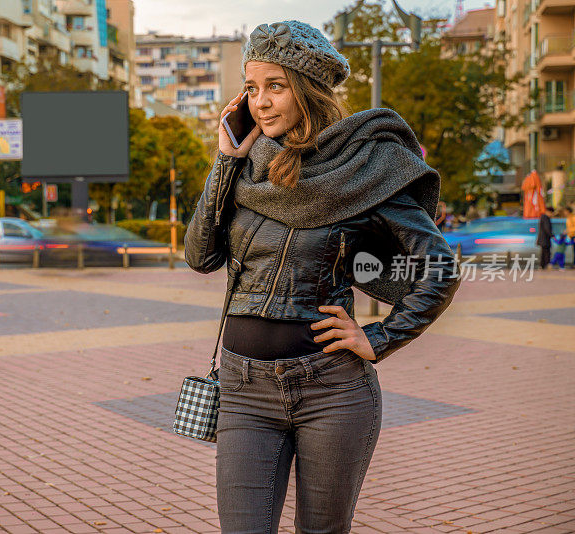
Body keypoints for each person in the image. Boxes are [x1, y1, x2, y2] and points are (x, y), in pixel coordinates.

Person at [184, 20, 462, 534]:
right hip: (245, 391)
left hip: (332, 391)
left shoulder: (365, 167)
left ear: (307, 89)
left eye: (275, 86)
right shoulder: (246, 168)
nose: (260, 102)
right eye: (251, 87)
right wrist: (224, 161)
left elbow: (440, 268)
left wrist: (378, 337)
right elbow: (200, 256)